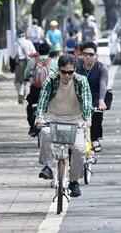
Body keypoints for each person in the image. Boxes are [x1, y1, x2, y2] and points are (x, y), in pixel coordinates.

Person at [35, 54, 92, 197]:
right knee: (45, 133)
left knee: (79, 149)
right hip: (53, 117)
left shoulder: (81, 81)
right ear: (58, 70)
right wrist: (40, 117)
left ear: (75, 70)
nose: (66, 76)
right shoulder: (51, 81)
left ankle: (74, 181)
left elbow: (86, 102)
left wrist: (87, 119)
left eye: (70, 72)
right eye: (63, 72)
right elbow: (42, 100)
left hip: (75, 119)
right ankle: (47, 166)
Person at [75, 41, 108, 152]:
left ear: (95, 55)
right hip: (78, 97)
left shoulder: (101, 67)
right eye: (85, 54)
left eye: (91, 54)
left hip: (95, 97)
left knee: (97, 114)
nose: (88, 57)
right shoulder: (77, 65)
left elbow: (103, 84)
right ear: (81, 55)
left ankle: (95, 139)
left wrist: (101, 100)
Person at [24, 43, 58, 137]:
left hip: (35, 90)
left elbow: (26, 74)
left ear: (38, 51)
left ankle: (32, 126)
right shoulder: (54, 62)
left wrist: (28, 78)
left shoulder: (32, 61)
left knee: (30, 106)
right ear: (49, 52)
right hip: (49, 91)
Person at [10, 28, 36, 104]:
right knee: (27, 80)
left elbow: (12, 56)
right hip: (29, 63)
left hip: (19, 64)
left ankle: (20, 94)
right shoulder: (29, 42)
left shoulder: (15, 44)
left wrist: (12, 67)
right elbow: (34, 53)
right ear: (24, 35)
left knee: (18, 80)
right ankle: (26, 96)